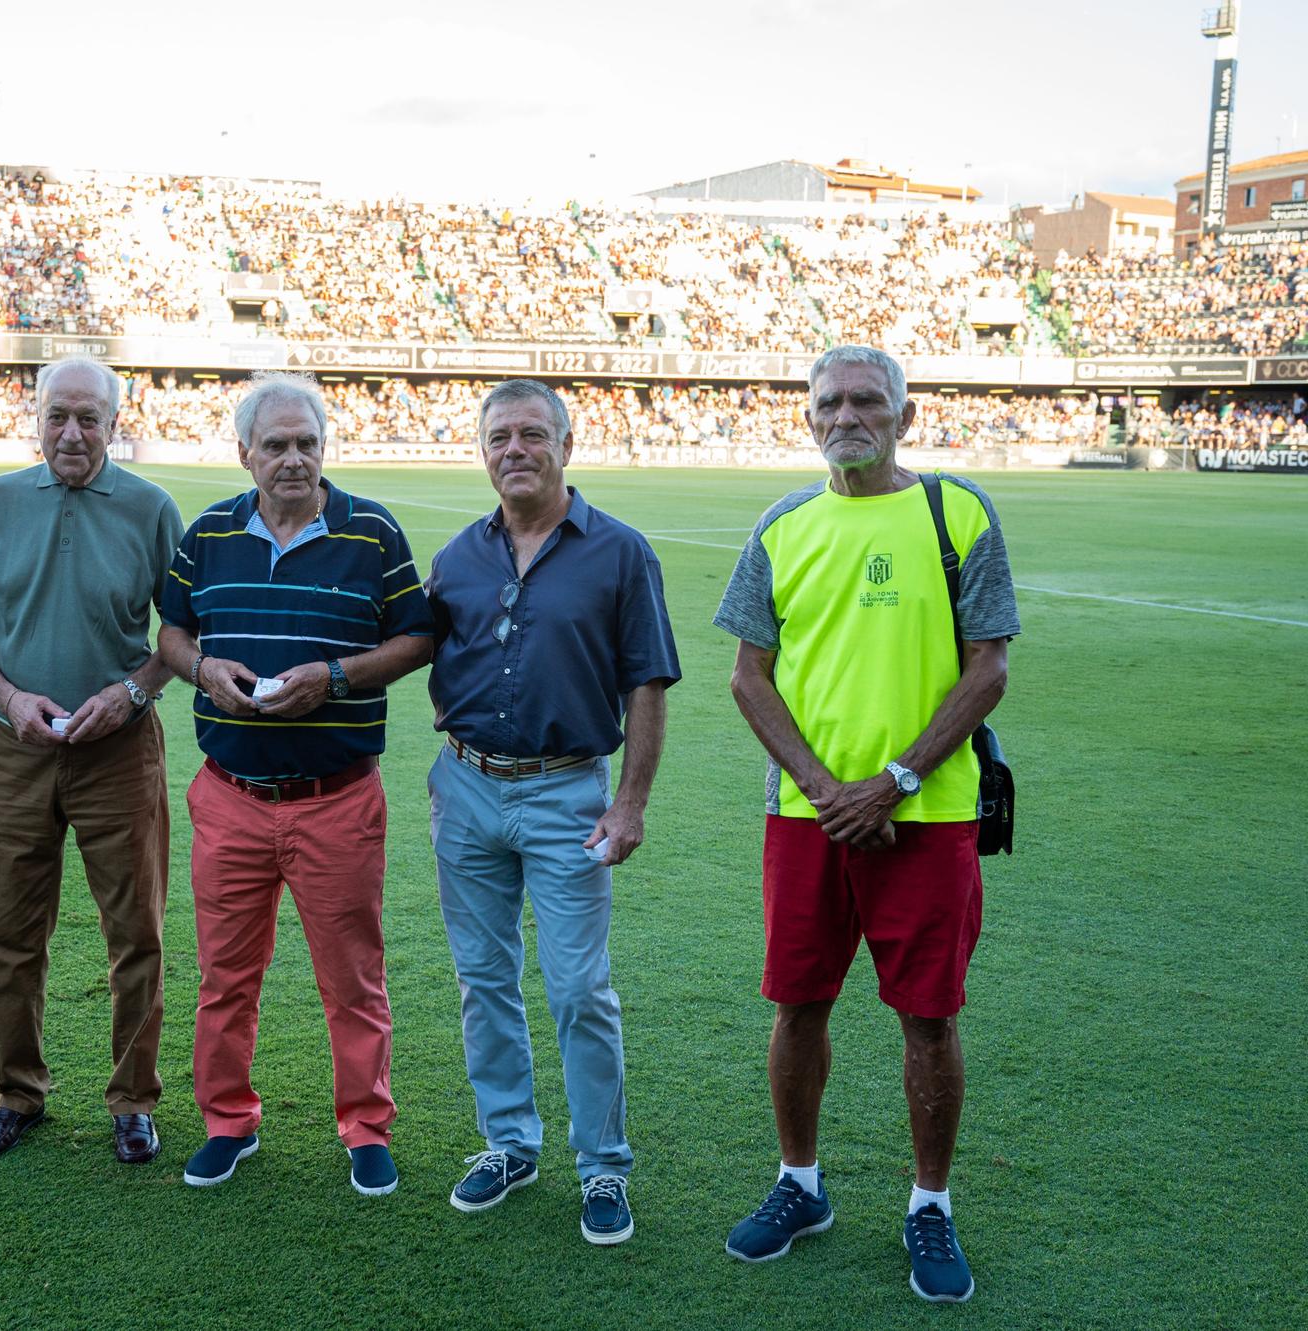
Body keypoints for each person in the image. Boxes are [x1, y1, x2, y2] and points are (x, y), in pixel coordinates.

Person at [712, 344, 1019, 1303]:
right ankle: (798, 1183)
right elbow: (747, 675)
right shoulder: (782, 524)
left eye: (866, 401)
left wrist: (887, 782)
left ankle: (930, 1201)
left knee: (928, 1017)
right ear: (808, 416)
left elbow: (988, 668)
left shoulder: (956, 511)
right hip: (807, 818)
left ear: (905, 414)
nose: (846, 414)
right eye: (828, 401)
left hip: (928, 815)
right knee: (798, 1002)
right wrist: (823, 786)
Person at [156, 371, 432, 1196]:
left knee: (353, 975)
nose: (293, 459)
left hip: (337, 797)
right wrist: (203, 669)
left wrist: (336, 678)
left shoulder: (372, 532)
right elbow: (171, 630)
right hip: (231, 795)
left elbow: (415, 638)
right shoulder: (207, 533)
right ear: (244, 453)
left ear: (324, 447)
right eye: (275, 445)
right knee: (224, 974)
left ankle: (366, 1127)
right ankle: (228, 1121)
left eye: (307, 442)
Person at [424, 378, 680, 1247]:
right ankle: (509, 1142)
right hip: (465, 787)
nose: (516, 449)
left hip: (570, 790)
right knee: (483, 979)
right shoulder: (460, 555)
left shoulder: (619, 552)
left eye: (534, 433)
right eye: (501, 435)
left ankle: (603, 1162)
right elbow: (435, 655)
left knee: (579, 988)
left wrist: (632, 799)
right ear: (483, 449)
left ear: (566, 444)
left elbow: (646, 680)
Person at [0, 357, 183, 1165]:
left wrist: (132, 692)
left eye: (89, 418)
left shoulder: (152, 510)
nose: (72, 433)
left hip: (119, 754)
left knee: (136, 932)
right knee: (10, 932)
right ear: (35, 418)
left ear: (116, 424)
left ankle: (133, 1100)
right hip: (16, 751)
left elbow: (179, 643)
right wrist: (11, 700)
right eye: (58, 417)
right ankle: (18, 1093)